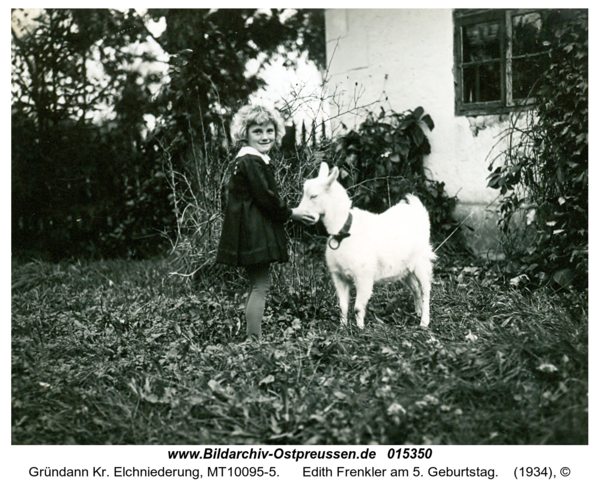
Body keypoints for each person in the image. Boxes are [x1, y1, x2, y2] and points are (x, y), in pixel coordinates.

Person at [216, 104, 316, 342]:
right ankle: (253, 339)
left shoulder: (250, 160)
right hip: (254, 232)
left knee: (257, 284)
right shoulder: (251, 160)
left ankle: (253, 335)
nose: (265, 136)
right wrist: (293, 213)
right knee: (261, 285)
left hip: (250, 230)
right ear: (246, 134)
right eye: (257, 131)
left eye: (269, 130)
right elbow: (267, 199)